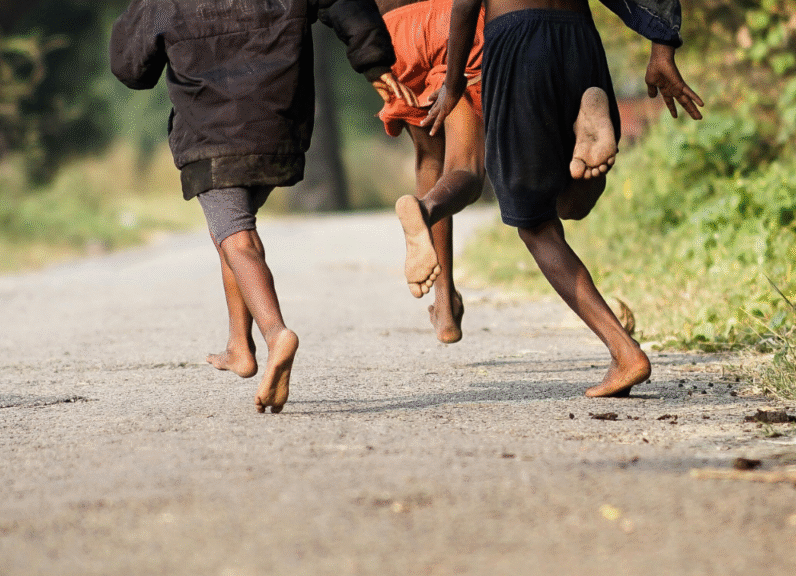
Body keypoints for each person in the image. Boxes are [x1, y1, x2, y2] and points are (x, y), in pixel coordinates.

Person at [110, 0, 415, 413]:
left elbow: (131, 69)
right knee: (232, 229)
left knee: (237, 239)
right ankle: (239, 346)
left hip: (210, 138)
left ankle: (276, 334)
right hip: (279, 130)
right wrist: (373, 62)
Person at [424, 0, 704, 397]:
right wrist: (662, 45)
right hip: (579, 39)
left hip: (516, 43)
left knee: (536, 225)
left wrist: (452, 88)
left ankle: (625, 354)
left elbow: (467, 4)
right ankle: (588, 118)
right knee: (571, 204)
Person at [372, 0, 487, 344]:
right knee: (466, 167)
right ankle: (424, 212)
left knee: (429, 160)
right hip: (454, 20)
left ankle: (444, 302)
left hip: (391, 31)